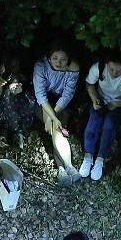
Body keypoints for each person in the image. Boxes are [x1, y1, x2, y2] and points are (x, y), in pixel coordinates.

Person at [78, 53, 121, 180]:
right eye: (111, 69)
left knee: (109, 122)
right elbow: (89, 84)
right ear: (106, 64)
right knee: (94, 119)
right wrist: (94, 99)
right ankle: (88, 157)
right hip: (101, 99)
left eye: (120, 71)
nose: (115, 73)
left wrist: (116, 104)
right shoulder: (99, 67)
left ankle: (100, 160)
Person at [31, 45, 82, 182]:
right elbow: (41, 95)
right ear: (49, 57)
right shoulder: (41, 66)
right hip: (43, 102)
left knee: (56, 128)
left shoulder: (73, 67)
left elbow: (67, 94)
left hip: (60, 103)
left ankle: (63, 170)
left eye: (63, 59)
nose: (59, 62)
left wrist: (52, 118)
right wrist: (52, 117)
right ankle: (68, 167)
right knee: (56, 127)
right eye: (55, 58)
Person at [0, 53, 36, 148]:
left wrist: (16, 85)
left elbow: (23, 80)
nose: (1, 67)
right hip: (2, 106)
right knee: (7, 103)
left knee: (24, 104)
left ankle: (18, 133)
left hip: (20, 100)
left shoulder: (18, 72)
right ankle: (4, 134)